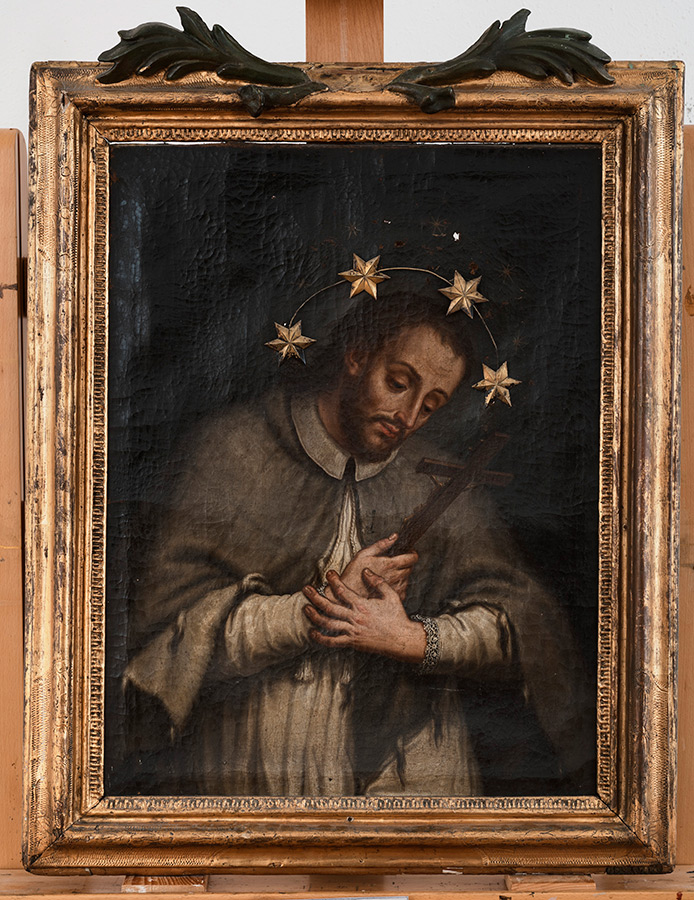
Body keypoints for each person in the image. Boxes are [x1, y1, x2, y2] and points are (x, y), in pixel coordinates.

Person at [123, 290, 594, 797]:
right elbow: (170, 641)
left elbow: (522, 625)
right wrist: (320, 610)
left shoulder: (438, 481)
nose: (408, 416)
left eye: (430, 405)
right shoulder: (234, 451)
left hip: (410, 767)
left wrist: (411, 638)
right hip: (262, 753)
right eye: (398, 384)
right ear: (356, 356)